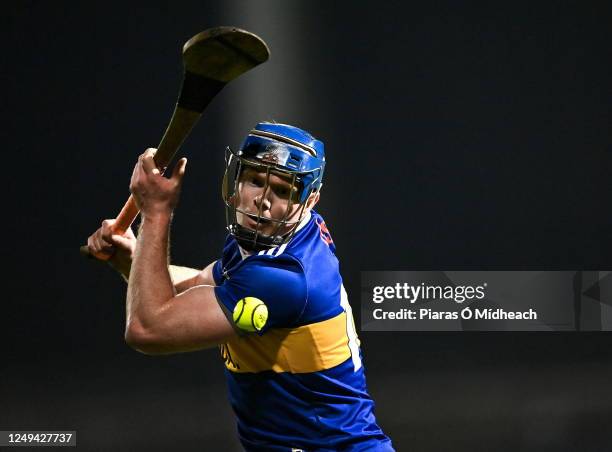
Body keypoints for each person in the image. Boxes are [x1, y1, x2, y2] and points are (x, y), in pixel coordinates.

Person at [87, 122, 394, 451]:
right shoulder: (268, 239)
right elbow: (196, 285)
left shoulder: (286, 276)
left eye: (283, 190)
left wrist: (157, 212)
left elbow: (147, 328)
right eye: (256, 180)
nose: (262, 200)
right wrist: (132, 261)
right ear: (237, 179)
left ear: (311, 198)